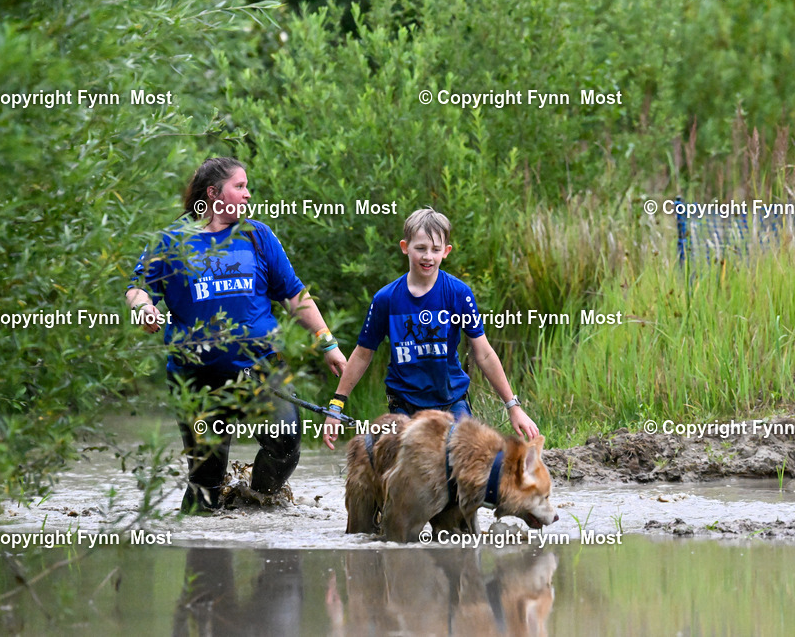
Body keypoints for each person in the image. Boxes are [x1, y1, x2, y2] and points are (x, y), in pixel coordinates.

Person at [126, 157, 347, 511]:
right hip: (197, 377)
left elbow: (294, 295)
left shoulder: (257, 235)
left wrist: (328, 343)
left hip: (262, 369)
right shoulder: (170, 241)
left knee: (286, 446)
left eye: (247, 186)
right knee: (206, 489)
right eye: (239, 187)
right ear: (213, 193)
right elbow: (137, 289)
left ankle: (258, 500)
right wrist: (144, 307)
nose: (247, 194)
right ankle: (204, 544)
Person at [322, 207, 537, 450]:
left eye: (435, 250)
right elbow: (363, 354)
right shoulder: (386, 299)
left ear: (446, 252)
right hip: (403, 404)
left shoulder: (457, 294)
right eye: (421, 248)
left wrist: (513, 407)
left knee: (466, 457)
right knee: (407, 467)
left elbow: (484, 353)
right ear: (405, 247)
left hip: (450, 400)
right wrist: (336, 407)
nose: (428, 257)